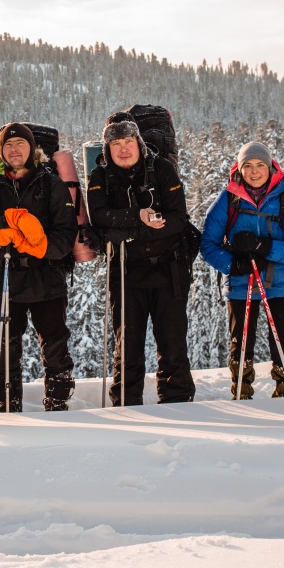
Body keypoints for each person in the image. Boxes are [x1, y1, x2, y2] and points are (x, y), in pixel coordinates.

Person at [0, 123, 79, 412]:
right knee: (6, 351)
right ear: (0, 151)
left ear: (32, 149)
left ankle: (58, 406)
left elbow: (66, 234)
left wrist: (40, 245)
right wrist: (4, 224)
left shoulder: (51, 183)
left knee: (55, 349)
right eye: (8, 145)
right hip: (5, 279)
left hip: (48, 278)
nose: (14, 149)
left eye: (20, 144)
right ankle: (7, 409)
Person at [86, 114, 195, 406]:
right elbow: (98, 216)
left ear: (139, 143)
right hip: (125, 272)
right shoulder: (100, 176)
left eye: (128, 141)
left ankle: (178, 404)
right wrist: (139, 219)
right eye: (116, 143)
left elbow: (178, 219)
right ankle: (126, 405)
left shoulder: (161, 169)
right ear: (107, 148)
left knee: (172, 344)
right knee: (128, 347)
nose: (123, 149)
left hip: (168, 269)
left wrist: (124, 231)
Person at [200, 142, 284, 398]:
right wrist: (233, 265)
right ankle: (241, 389)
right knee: (241, 342)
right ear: (239, 168)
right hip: (241, 281)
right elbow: (207, 244)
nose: (255, 171)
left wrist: (263, 247)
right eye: (248, 165)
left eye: (260, 165)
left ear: (270, 167)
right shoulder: (229, 199)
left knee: (283, 340)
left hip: (282, 282)